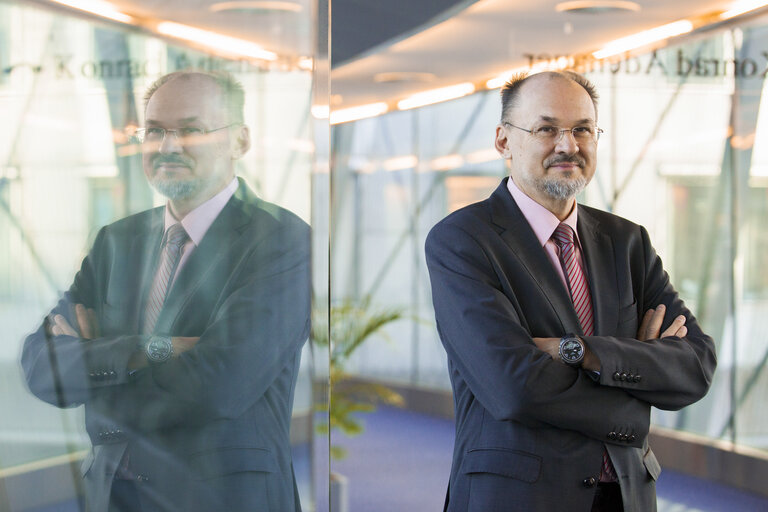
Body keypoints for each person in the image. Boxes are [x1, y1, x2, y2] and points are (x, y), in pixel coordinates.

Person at [425, 71, 717, 512]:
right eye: (546, 129)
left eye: (582, 129)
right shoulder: (463, 240)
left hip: (627, 495)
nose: (569, 145)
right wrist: (634, 391)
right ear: (504, 141)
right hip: (520, 499)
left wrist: (580, 352)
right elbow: (513, 387)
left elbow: (695, 365)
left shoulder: (627, 241)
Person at [21, 70, 310, 512]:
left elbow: (221, 384)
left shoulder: (281, 239)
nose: (168, 146)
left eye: (190, 130)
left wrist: (96, 354)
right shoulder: (117, 241)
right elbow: (42, 369)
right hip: (114, 493)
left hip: (219, 498)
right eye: (154, 130)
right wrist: (157, 350)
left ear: (240, 142)